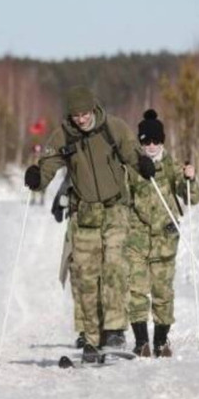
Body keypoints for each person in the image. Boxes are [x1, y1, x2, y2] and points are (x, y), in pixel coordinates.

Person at [24, 85, 154, 363]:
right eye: (75, 115)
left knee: (115, 266)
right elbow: (48, 163)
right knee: (85, 277)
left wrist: (142, 163)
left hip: (115, 208)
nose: (81, 120)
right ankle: (92, 341)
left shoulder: (113, 127)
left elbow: (132, 151)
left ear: (92, 109)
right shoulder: (64, 135)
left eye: (84, 114)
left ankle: (115, 330)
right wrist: (37, 177)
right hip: (84, 213)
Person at [126, 110, 199, 357]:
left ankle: (160, 341)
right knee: (136, 291)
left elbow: (193, 197)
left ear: (162, 141)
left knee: (163, 292)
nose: (151, 146)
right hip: (137, 238)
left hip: (165, 239)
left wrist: (190, 179)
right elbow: (122, 198)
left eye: (155, 141)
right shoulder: (132, 166)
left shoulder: (171, 164)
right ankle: (141, 343)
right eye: (146, 141)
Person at [52, 173, 88, 349]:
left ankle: (106, 329)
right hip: (76, 223)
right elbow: (69, 177)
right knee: (78, 277)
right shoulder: (75, 155)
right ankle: (84, 331)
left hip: (105, 222)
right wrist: (59, 199)